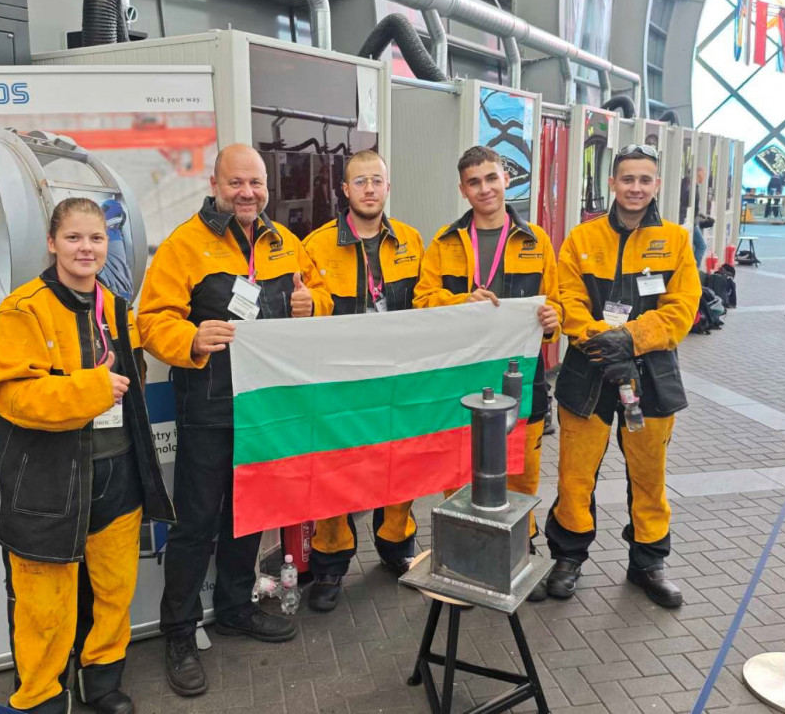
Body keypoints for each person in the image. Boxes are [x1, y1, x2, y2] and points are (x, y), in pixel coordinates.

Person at [138, 144, 332, 696]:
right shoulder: (185, 244)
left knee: (251, 512)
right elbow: (151, 320)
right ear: (215, 184)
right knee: (197, 521)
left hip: (265, 407)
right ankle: (179, 629)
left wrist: (310, 304)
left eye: (256, 182)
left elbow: (317, 292)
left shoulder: (283, 242)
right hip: (206, 404)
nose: (247, 192)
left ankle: (233, 609)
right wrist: (192, 339)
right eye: (235, 183)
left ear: (266, 186)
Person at [0, 197, 176, 714]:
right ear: (51, 243)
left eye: (95, 238)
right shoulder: (22, 309)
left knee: (114, 591)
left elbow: (140, 363)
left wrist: (195, 340)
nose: (86, 248)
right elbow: (13, 396)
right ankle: (43, 698)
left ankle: (103, 682)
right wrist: (90, 389)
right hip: (50, 483)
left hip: (119, 473)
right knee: (45, 604)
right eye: (73, 238)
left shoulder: (115, 305)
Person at [543, 144, 701, 609]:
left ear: (656, 185)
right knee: (574, 474)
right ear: (612, 184)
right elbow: (566, 301)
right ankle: (568, 557)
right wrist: (601, 340)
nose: (635, 187)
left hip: (650, 374)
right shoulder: (581, 238)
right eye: (627, 179)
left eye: (644, 180)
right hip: (586, 373)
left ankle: (647, 563)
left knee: (650, 475)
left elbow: (682, 309)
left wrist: (629, 340)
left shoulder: (675, 240)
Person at [413, 145, 562, 602]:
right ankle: (462, 557)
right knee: (457, 471)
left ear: (506, 181)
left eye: (492, 178)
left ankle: (519, 555)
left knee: (521, 474)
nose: (485, 188)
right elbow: (421, 302)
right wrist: (460, 303)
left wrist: (556, 320)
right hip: (461, 381)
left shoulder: (535, 239)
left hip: (521, 381)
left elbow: (555, 303)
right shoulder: (443, 242)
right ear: (463, 189)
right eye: (474, 182)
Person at [300, 150, 425, 612]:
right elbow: (308, 305)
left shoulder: (412, 241)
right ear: (344, 190)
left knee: (399, 467)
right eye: (360, 182)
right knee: (334, 472)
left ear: (387, 188)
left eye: (377, 181)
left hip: (397, 381)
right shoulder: (315, 245)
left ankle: (396, 546)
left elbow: (427, 302)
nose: (369, 189)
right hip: (340, 384)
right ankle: (331, 565)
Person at [692, 166, 708, 266]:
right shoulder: (692, 187)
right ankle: (695, 270)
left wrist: (700, 216)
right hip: (690, 222)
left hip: (692, 221)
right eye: (703, 174)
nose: (704, 177)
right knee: (701, 246)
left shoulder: (695, 187)